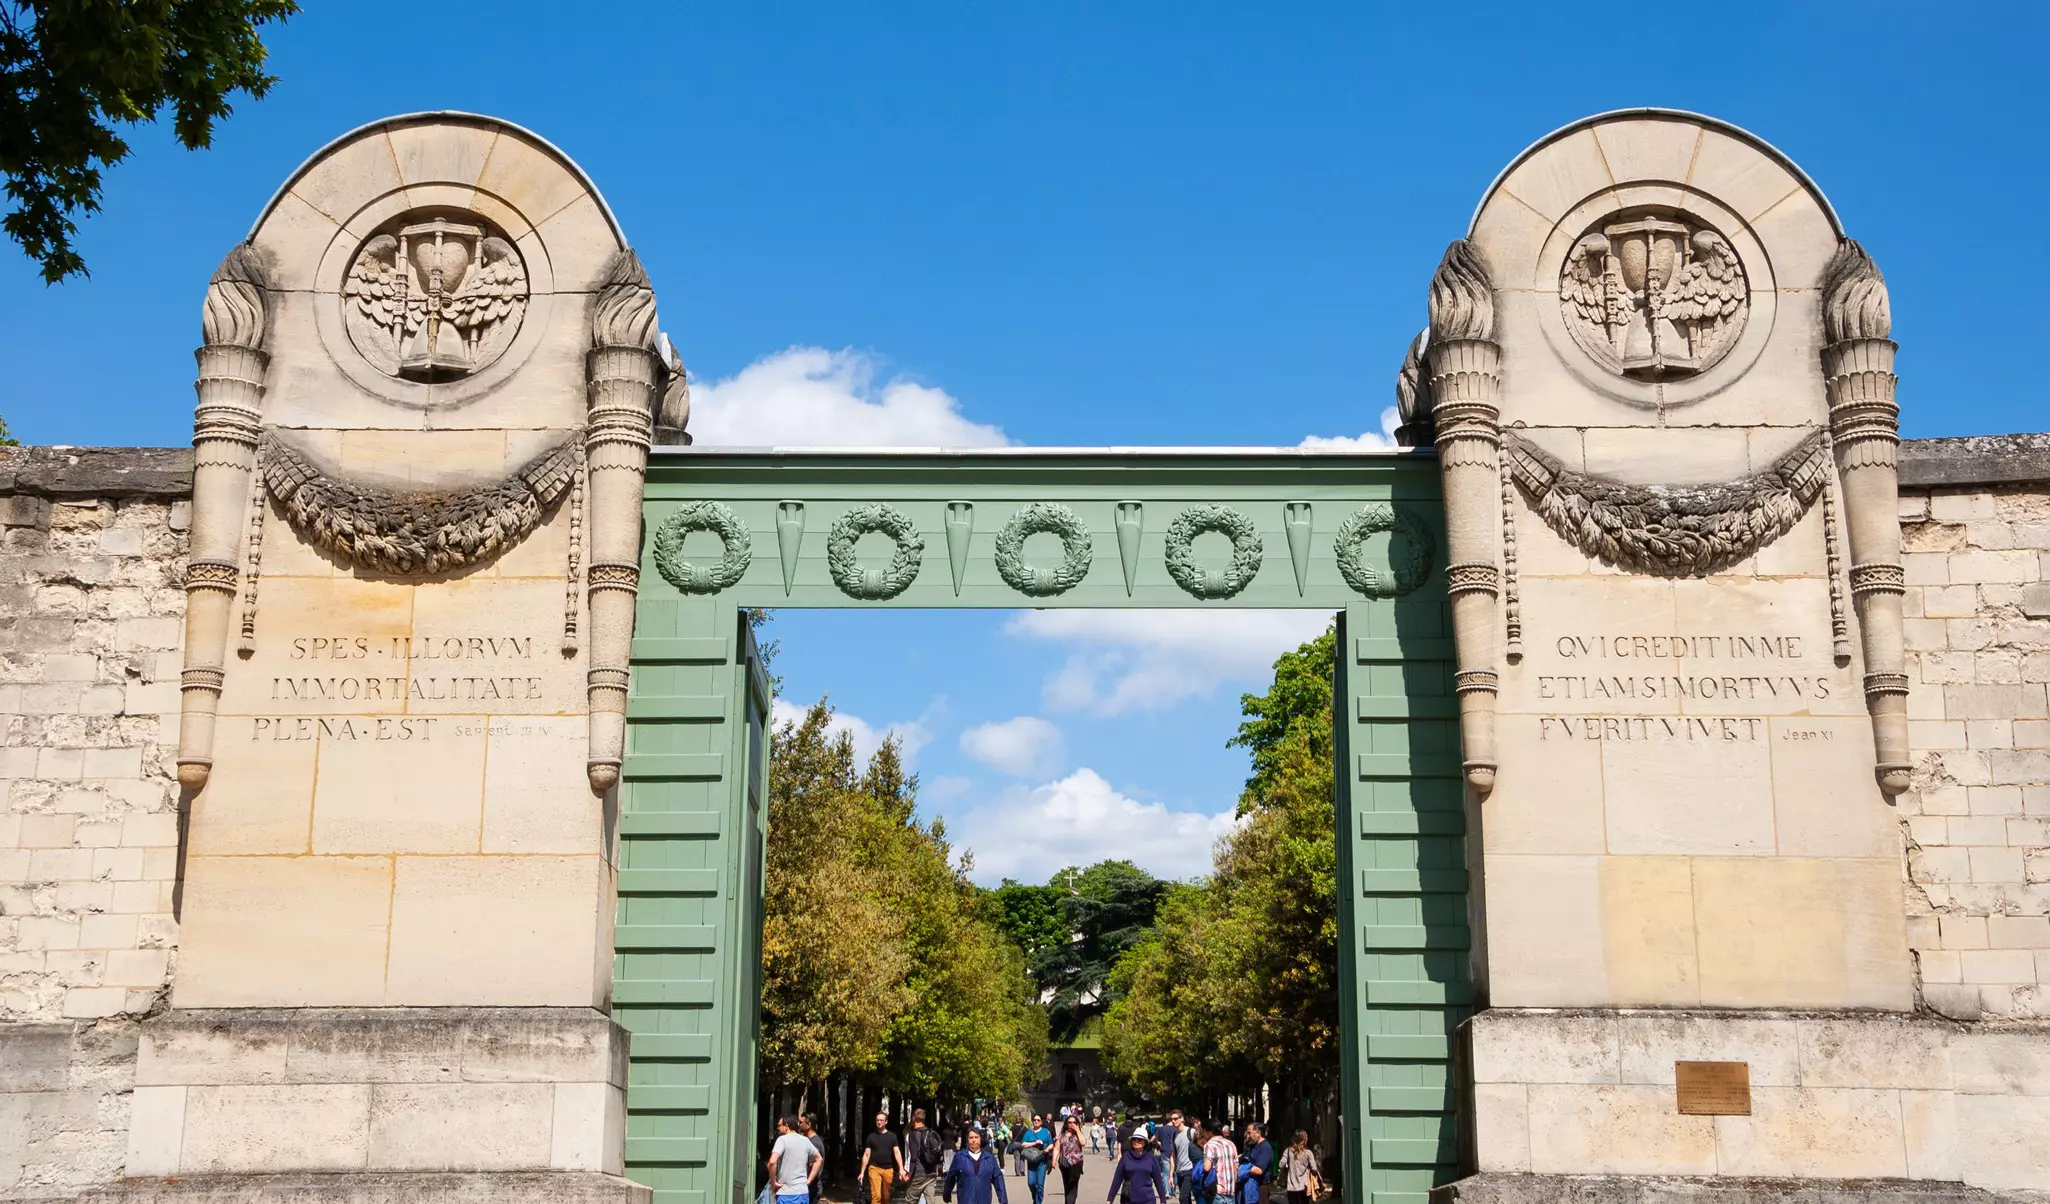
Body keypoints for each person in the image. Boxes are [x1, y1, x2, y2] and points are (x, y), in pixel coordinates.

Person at [944, 1127, 1010, 1204]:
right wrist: (946, 1194)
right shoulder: (960, 1157)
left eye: (976, 1137)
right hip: (966, 1200)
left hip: (984, 1199)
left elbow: (998, 1179)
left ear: (980, 1139)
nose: (974, 1140)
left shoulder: (989, 1158)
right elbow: (951, 1177)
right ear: (967, 1140)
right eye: (971, 1137)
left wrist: (1003, 1200)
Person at [768, 1116, 822, 1204]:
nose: (778, 1128)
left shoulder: (782, 1140)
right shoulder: (805, 1141)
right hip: (803, 1193)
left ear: (786, 1126)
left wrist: (773, 1183)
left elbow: (772, 1162)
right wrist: (808, 1180)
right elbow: (819, 1159)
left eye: (779, 1125)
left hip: (786, 1194)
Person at [1107, 1131, 1168, 1204]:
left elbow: (1158, 1180)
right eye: (1134, 1139)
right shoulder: (1126, 1157)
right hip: (1128, 1200)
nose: (1136, 1141)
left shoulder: (1151, 1158)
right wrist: (1109, 1200)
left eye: (1139, 1139)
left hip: (1147, 1200)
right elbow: (1117, 1179)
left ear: (1145, 1142)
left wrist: (1163, 1200)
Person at [859, 1111, 906, 1204]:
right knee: (876, 1196)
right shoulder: (871, 1137)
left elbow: (896, 1152)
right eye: (877, 1120)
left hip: (888, 1169)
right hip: (874, 1168)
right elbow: (866, 1154)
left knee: (886, 1196)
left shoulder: (892, 1136)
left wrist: (901, 1168)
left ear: (886, 1122)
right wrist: (862, 1172)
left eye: (881, 1120)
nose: (879, 1122)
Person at [906, 1108, 949, 1204]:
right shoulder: (931, 1133)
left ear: (913, 1118)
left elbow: (913, 1157)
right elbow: (936, 1152)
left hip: (918, 1173)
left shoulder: (913, 1134)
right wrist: (937, 1168)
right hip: (931, 1174)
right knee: (930, 1201)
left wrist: (909, 1173)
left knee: (910, 1201)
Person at [1200, 1119, 1237, 1204]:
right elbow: (1236, 1168)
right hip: (1231, 1191)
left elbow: (1206, 1167)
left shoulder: (1209, 1145)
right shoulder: (1231, 1144)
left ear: (1209, 1132)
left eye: (1204, 1131)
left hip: (1218, 1192)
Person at [1277, 1132, 1320, 1204]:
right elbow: (1314, 1169)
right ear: (1305, 1139)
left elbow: (1281, 1164)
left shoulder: (1288, 1151)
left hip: (1291, 1186)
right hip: (1305, 1186)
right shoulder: (1308, 1153)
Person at [1020, 1114, 1053, 1204]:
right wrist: (1034, 1143)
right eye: (1034, 1120)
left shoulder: (1046, 1131)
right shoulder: (1028, 1132)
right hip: (1032, 1161)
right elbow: (1023, 1144)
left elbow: (1051, 1143)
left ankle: (1038, 1202)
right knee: (1031, 1183)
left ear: (1041, 1122)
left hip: (1042, 1161)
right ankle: (1035, 1198)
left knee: (1040, 1184)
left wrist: (1047, 1149)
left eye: (1038, 1120)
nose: (1036, 1121)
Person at [1055, 1119, 1087, 1204]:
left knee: (1073, 1184)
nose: (1072, 1124)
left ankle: (1070, 1202)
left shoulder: (1078, 1134)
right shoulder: (1061, 1135)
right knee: (1066, 1185)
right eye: (1069, 1122)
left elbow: (1083, 1143)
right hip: (1064, 1163)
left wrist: (1077, 1130)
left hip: (1076, 1163)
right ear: (1066, 1124)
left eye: (1074, 1122)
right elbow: (1057, 1148)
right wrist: (1054, 1160)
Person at [1240, 1124, 1272, 1204]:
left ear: (1258, 1132)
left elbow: (1259, 1170)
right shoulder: (1252, 1146)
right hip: (1250, 1185)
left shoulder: (1265, 1147)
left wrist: (1242, 1169)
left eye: (1250, 1133)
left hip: (1261, 1187)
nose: (1248, 1135)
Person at [802, 1116, 828, 1204]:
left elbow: (813, 1166)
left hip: (812, 1187)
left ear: (808, 1125)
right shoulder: (811, 1141)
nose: (798, 1125)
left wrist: (806, 1181)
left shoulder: (814, 1143)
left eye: (801, 1122)